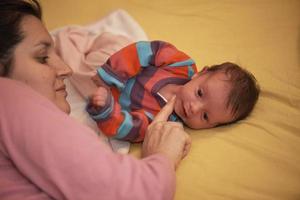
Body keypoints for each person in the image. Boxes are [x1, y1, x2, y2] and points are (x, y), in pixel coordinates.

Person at [0, 0, 191, 199]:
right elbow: (138, 192)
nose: (67, 69)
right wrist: (163, 155)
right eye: (42, 57)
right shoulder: (9, 97)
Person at [87, 41, 260, 142]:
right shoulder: (182, 66)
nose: (194, 108)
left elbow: (132, 128)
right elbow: (147, 50)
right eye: (200, 93)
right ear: (201, 73)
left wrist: (107, 111)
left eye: (205, 116)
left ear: (212, 126)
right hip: (115, 63)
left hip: (106, 96)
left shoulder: (166, 123)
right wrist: (112, 75)